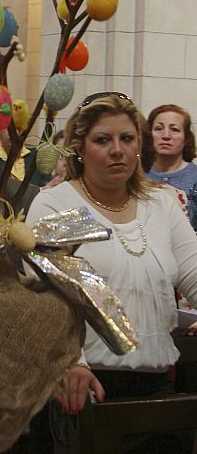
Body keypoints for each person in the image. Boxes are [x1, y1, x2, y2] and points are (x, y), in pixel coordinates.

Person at [26, 92, 197, 454]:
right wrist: (73, 362)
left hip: (154, 390)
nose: (117, 150)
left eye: (127, 139)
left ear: (139, 145)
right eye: (103, 140)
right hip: (79, 387)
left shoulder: (161, 203)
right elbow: (43, 297)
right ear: (80, 148)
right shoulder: (56, 204)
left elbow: (194, 273)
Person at [146, 104, 197, 229]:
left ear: (186, 138)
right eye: (158, 129)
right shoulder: (136, 175)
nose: (166, 136)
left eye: (174, 129)